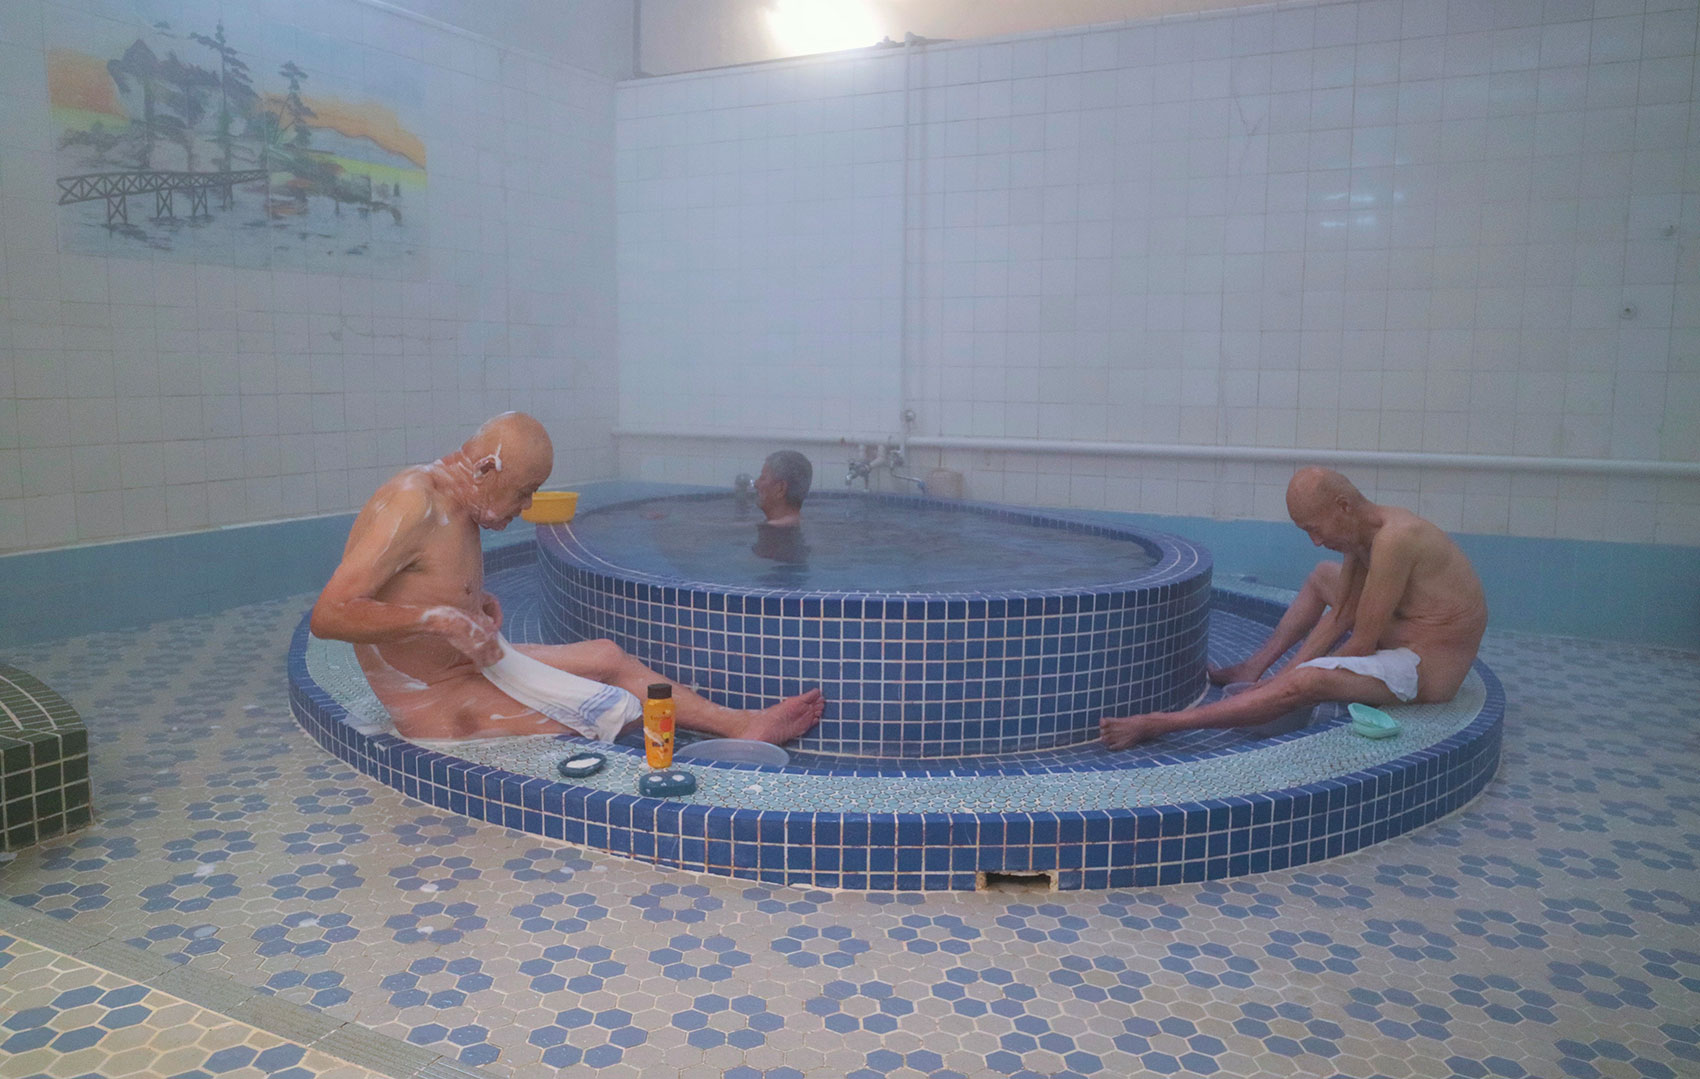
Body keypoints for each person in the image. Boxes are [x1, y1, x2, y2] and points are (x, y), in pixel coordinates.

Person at [311, 412, 825, 743]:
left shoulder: (461, 503)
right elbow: (330, 615)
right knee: (611, 710)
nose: (527, 506)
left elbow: (420, 585)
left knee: (605, 656)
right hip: (433, 696)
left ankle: (743, 725)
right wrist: (441, 619)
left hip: (471, 665)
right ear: (486, 469)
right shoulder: (413, 502)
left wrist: (472, 604)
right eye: (523, 491)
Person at [1100, 467, 1488, 749]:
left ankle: (1160, 724)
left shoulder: (1394, 540)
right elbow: (1342, 615)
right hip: (1408, 631)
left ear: (1343, 506)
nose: (1315, 541)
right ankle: (1253, 668)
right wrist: (1276, 676)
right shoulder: (1359, 535)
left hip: (1426, 667)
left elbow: (1362, 642)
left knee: (1308, 684)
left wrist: (1287, 684)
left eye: (1315, 528)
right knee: (1323, 576)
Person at [751, 450, 812, 563]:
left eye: (762, 478)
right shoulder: (801, 523)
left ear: (780, 488)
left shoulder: (772, 532)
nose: (756, 484)